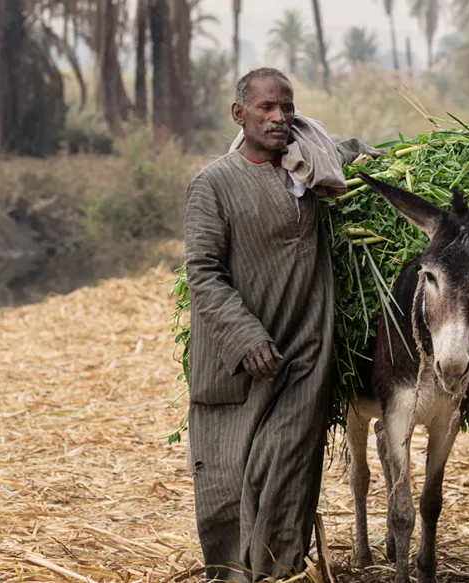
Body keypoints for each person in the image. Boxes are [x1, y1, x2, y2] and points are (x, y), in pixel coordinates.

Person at [183, 67, 379, 581]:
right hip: (236, 364)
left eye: (287, 107)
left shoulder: (308, 168)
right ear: (239, 113)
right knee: (228, 483)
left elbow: (348, 153)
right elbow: (203, 273)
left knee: (288, 475)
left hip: (303, 358)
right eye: (267, 107)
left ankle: (278, 573)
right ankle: (230, 573)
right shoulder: (213, 185)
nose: (279, 117)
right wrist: (247, 337)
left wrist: (390, 155)